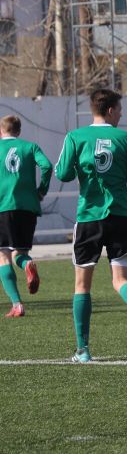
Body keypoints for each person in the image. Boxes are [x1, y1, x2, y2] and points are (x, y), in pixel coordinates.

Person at [55, 89, 127, 363]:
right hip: (120, 217)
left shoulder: (75, 137)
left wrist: (81, 168)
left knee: (82, 286)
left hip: (89, 218)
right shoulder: (126, 139)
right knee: (120, 279)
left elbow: (62, 173)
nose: (121, 114)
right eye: (119, 109)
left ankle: (83, 350)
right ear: (110, 110)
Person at [0, 115, 52, 318]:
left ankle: (17, 305)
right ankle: (27, 264)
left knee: (3, 255)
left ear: (1, 131)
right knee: (19, 253)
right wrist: (41, 190)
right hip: (28, 208)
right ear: (19, 131)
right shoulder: (30, 147)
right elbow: (47, 166)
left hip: (3, 206)